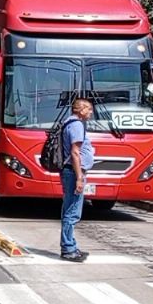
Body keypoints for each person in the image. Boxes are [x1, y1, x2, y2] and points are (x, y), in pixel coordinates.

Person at [59, 98, 96, 263]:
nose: (91, 112)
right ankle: (68, 248)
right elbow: (75, 152)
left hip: (71, 172)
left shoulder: (71, 123)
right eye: (89, 109)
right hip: (74, 173)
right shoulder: (76, 125)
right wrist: (80, 177)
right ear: (80, 110)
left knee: (70, 209)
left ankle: (70, 245)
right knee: (72, 212)